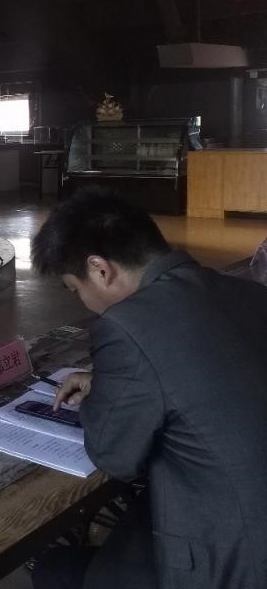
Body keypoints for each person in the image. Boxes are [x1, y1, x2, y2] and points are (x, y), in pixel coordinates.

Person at [30, 187, 267, 589]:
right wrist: (119, 381)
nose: (83, 300)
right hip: (247, 517)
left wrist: (104, 395)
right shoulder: (248, 292)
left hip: (228, 558)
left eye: (75, 289)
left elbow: (113, 455)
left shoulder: (128, 326)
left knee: (55, 569)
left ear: (99, 269)